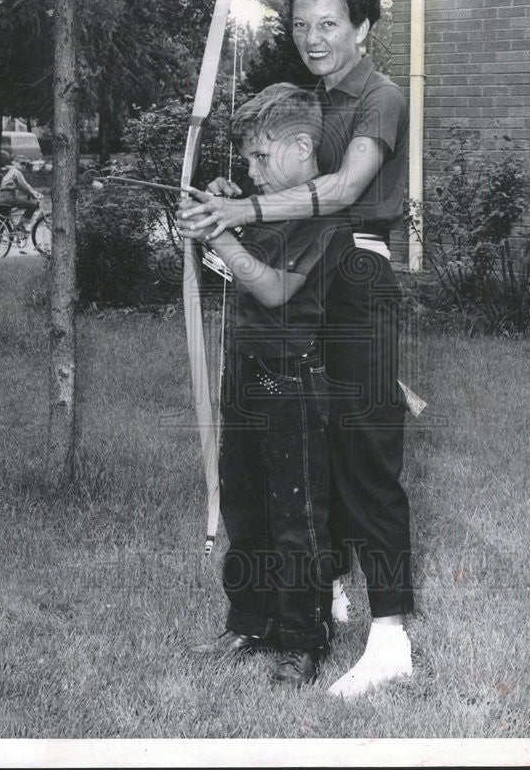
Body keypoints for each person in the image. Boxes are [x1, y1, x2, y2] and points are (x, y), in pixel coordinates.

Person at [179, 0, 414, 699]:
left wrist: (239, 217)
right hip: (312, 288)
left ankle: (391, 636)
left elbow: (343, 191)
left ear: (362, 27)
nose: (313, 38)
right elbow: (280, 183)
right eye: (302, 23)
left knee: (369, 457)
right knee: (312, 451)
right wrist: (234, 194)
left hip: (360, 279)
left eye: (329, 24)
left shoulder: (380, 96)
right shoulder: (306, 102)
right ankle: (315, 594)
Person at [183, 83, 355, 687]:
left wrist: (224, 234)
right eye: (248, 161)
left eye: (260, 157)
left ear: (303, 146)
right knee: (245, 503)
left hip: (295, 379)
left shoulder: (326, 218)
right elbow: (227, 259)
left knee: (296, 514)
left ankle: (304, 638)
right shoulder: (259, 207)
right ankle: (250, 621)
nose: (250, 171)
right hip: (246, 370)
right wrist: (214, 211)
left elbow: (277, 289)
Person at [0, 155, 42, 230]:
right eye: (21, 163)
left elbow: (21, 188)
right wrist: (34, 194)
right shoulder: (16, 172)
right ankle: (21, 226)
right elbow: (24, 186)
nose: (23, 166)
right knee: (32, 206)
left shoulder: (10, 172)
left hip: (0, 198)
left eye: (25, 164)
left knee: (3, 221)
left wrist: (29, 194)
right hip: (8, 197)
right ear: (15, 163)